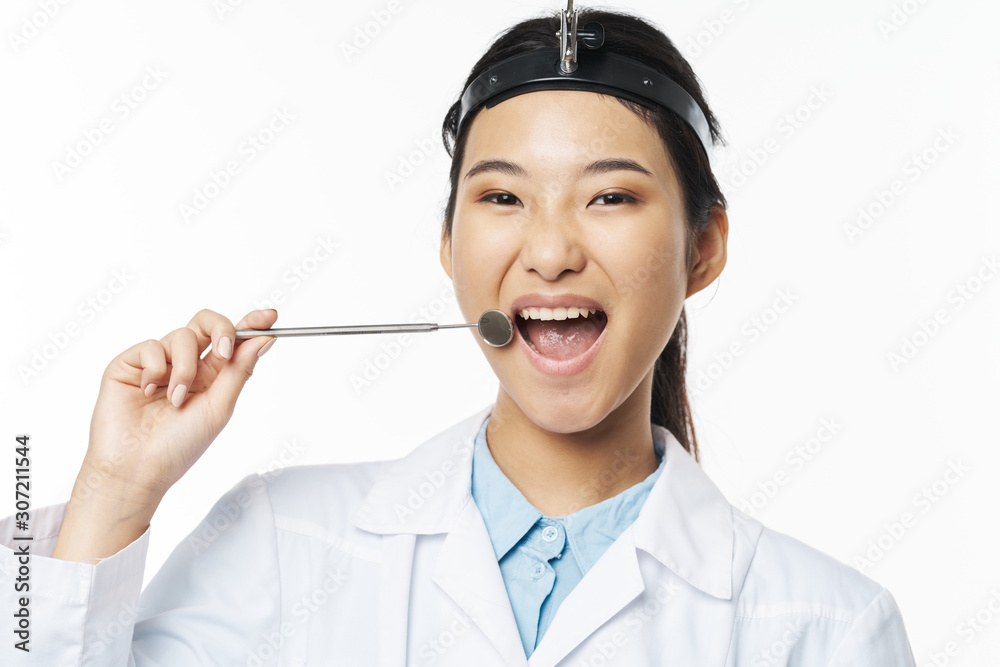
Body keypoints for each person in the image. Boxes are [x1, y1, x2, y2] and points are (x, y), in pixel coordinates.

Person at [0, 5, 917, 666]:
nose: (550, 251)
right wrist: (113, 492)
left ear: (703, 249)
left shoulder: (826, 628)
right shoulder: (282, 544)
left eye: (610, 196)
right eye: (503, 197)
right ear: (448, 246)